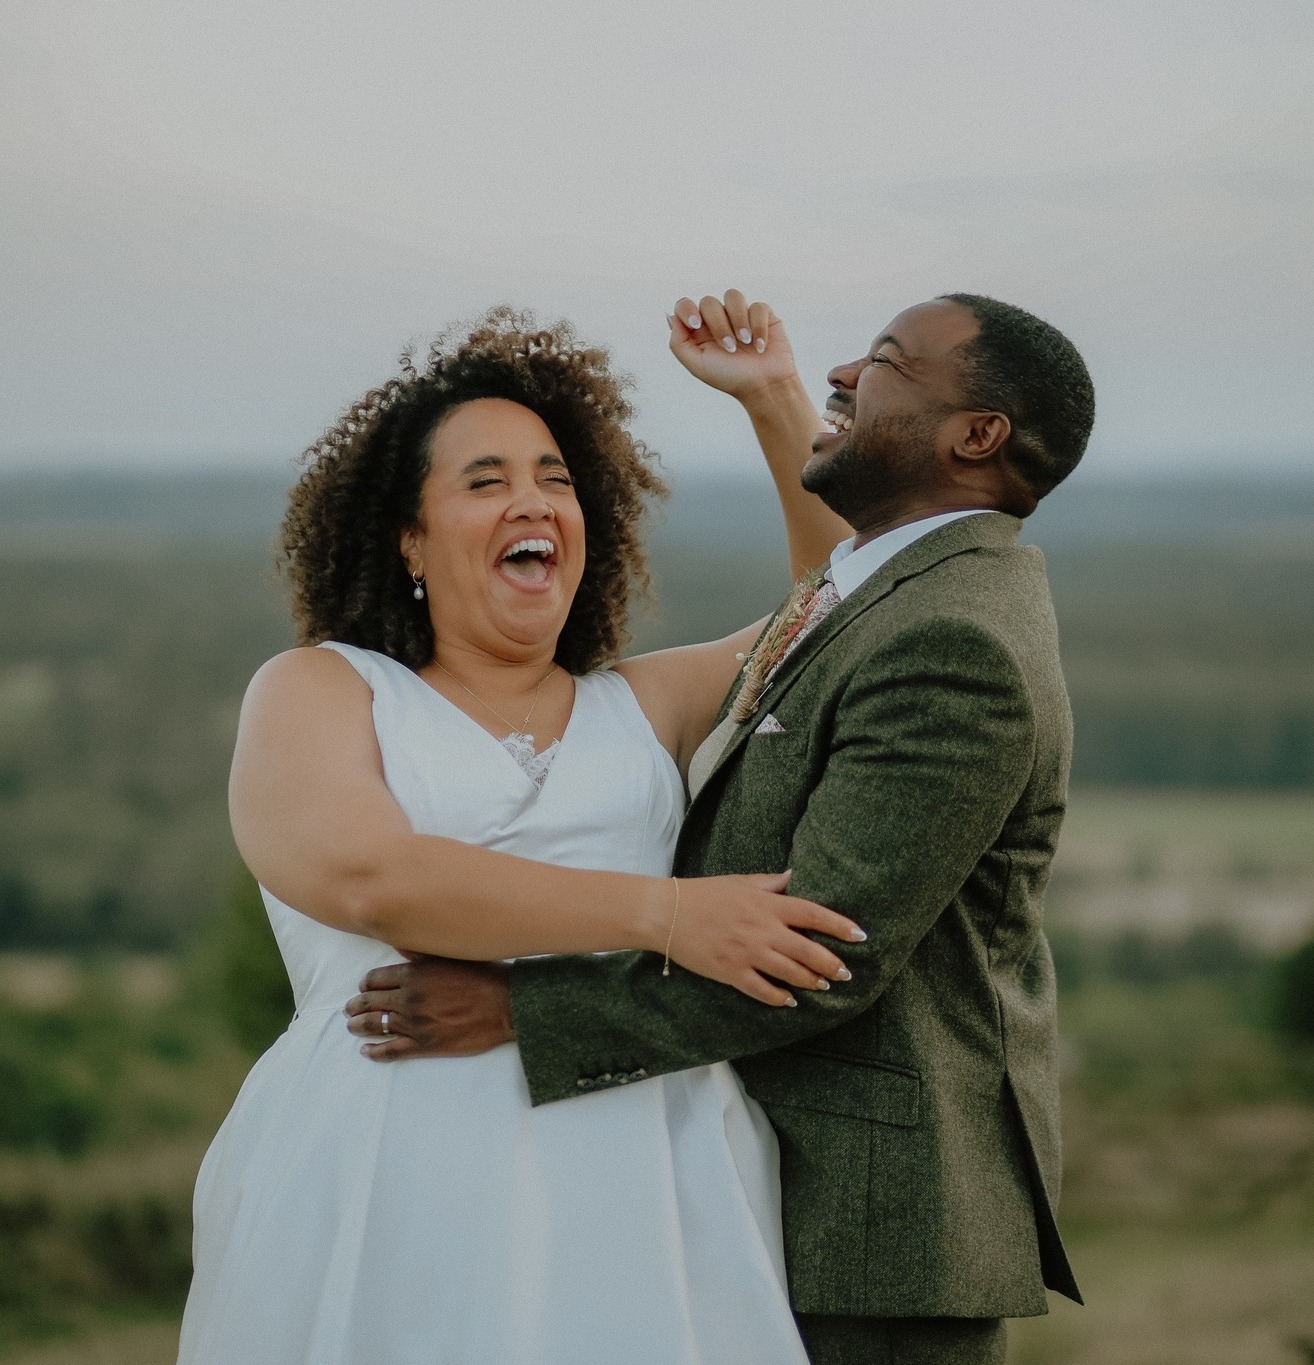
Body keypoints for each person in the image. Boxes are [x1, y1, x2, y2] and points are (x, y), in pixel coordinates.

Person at [348, 291, 1097, 1364]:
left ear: (975, 435)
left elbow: (821, 952)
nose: (845, 373)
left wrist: (518, 1006)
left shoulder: (952, 641)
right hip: (736, 1192)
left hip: (869, 1230)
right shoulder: (883, 591)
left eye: (886, 362)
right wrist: (771, 397)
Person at [177, 305, 868, 1365]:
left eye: (555, 477)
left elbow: (841, 613)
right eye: (485, 481)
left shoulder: (646, 704)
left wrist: (774, 400)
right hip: (386, 1173)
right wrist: (670, 916)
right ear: (407, 537)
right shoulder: (319, 689)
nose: (534, 500)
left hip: (649, 1173)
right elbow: (373, 879)